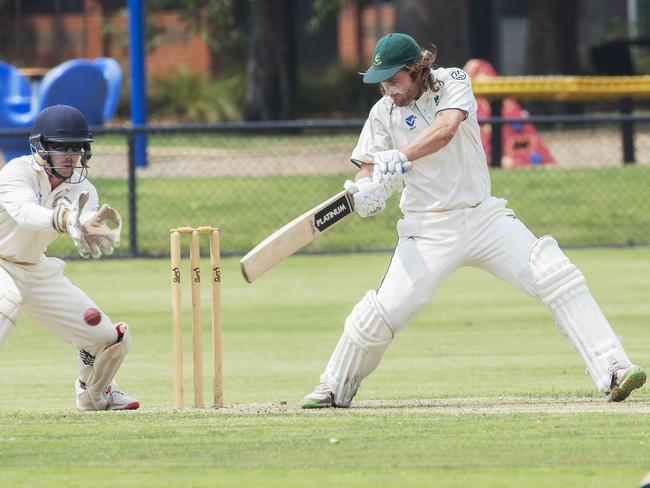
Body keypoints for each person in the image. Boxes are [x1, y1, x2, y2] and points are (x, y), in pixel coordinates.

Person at [301, 33, 646, 408]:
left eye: (395, 81)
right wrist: (367, 191)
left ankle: (613, 368)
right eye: (381, 83)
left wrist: (398, 156)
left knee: (554, 273)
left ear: (418, 70)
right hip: (426, 229)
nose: (388, 91)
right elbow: (369, 168)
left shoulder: (452, 81)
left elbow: (446, 130)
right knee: (382, 314)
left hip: (484, 217)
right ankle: (334, 387)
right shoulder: (382, 113)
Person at [0, 104, 139, 411]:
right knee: (6, 301)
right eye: (61, 148)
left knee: (106, 336)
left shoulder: (83, 188)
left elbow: (85, 218)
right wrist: (66, 219)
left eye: (76, 148)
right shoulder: (16, 171)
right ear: (41, 147)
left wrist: (88, 230)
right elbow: (25, 213)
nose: (70, 155)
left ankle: (93, 395)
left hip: (35, 268)